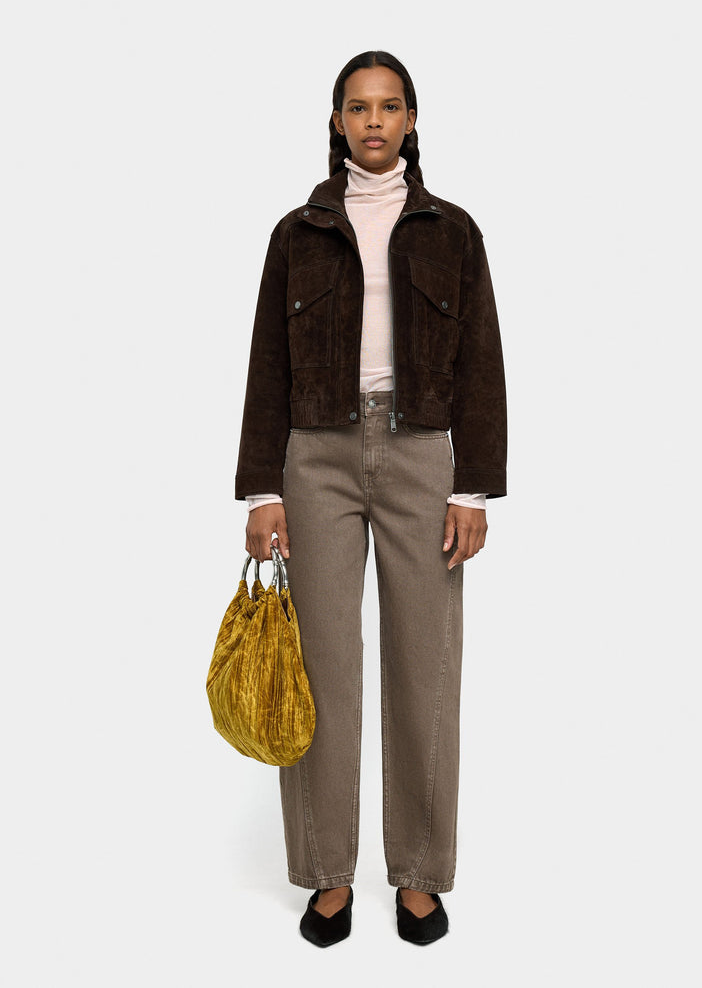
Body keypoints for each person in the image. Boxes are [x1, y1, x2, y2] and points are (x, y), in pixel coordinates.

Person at [235, 50, 507, 946]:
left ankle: (420, 874)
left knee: (426, 666)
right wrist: (263, 488)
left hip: (423, 453)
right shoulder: (298, 233)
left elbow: (482, 362)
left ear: (412, 120)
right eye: (359, 107)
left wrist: (471, 488)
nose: (375, 121)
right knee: (321, 666)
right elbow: (267, 363)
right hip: (314, 455)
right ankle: (328, 871)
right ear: (338, 122)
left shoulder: (453, 230)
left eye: (390, 106)